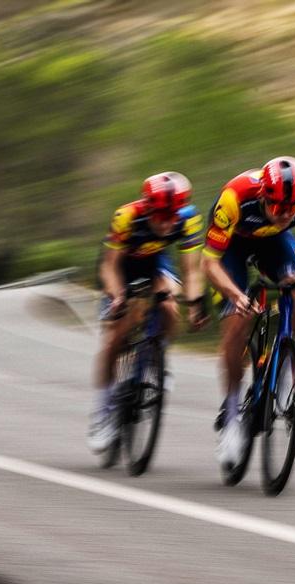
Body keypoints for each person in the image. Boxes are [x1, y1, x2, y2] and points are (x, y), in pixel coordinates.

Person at [200, 156, 295, 468]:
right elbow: (208, 263)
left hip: (274, 243)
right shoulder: (234, 198)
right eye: (278, 206)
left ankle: (284, 369)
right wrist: (235, 295)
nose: (285, 214)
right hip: (231, 249)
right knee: (238, 319)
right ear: (263, 196)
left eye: (292, 208)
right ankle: (231, 414)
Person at [88, 172, 208, 453]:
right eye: (160, 216)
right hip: (122, 267)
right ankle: (104, 411)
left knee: (168, 303)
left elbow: (191, 270)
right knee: (114, 338)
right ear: (148, 208)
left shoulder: (188, 218)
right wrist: (118, 296)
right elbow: (109, 266)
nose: (166, 223)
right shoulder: (127, 217)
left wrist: (196, 303)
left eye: (171, 217)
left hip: (155, 262)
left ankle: (156, 358)